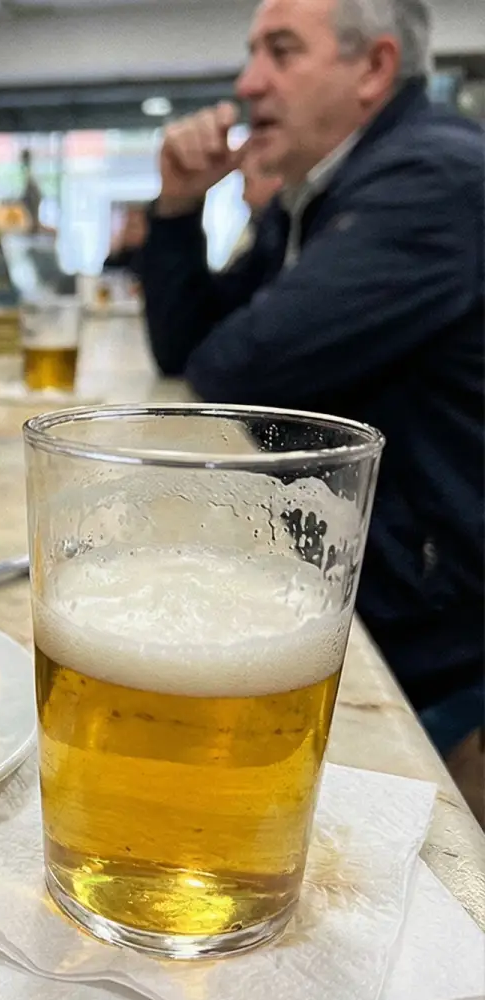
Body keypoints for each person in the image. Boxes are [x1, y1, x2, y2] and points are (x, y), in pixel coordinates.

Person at [138, 0, 482, 775]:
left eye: (281, 52)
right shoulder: (323, 191)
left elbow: (235, 370)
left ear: (376, 68)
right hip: (365, 580)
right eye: (253, 51)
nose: (248, 81)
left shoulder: (431, 180)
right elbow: (186, 346)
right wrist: (179, 207)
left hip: (427, 640)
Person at [100, 205, 150, 271]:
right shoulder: (113, 259)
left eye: (134, 226)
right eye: (127, 225)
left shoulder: (151, 259)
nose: (131, 231)